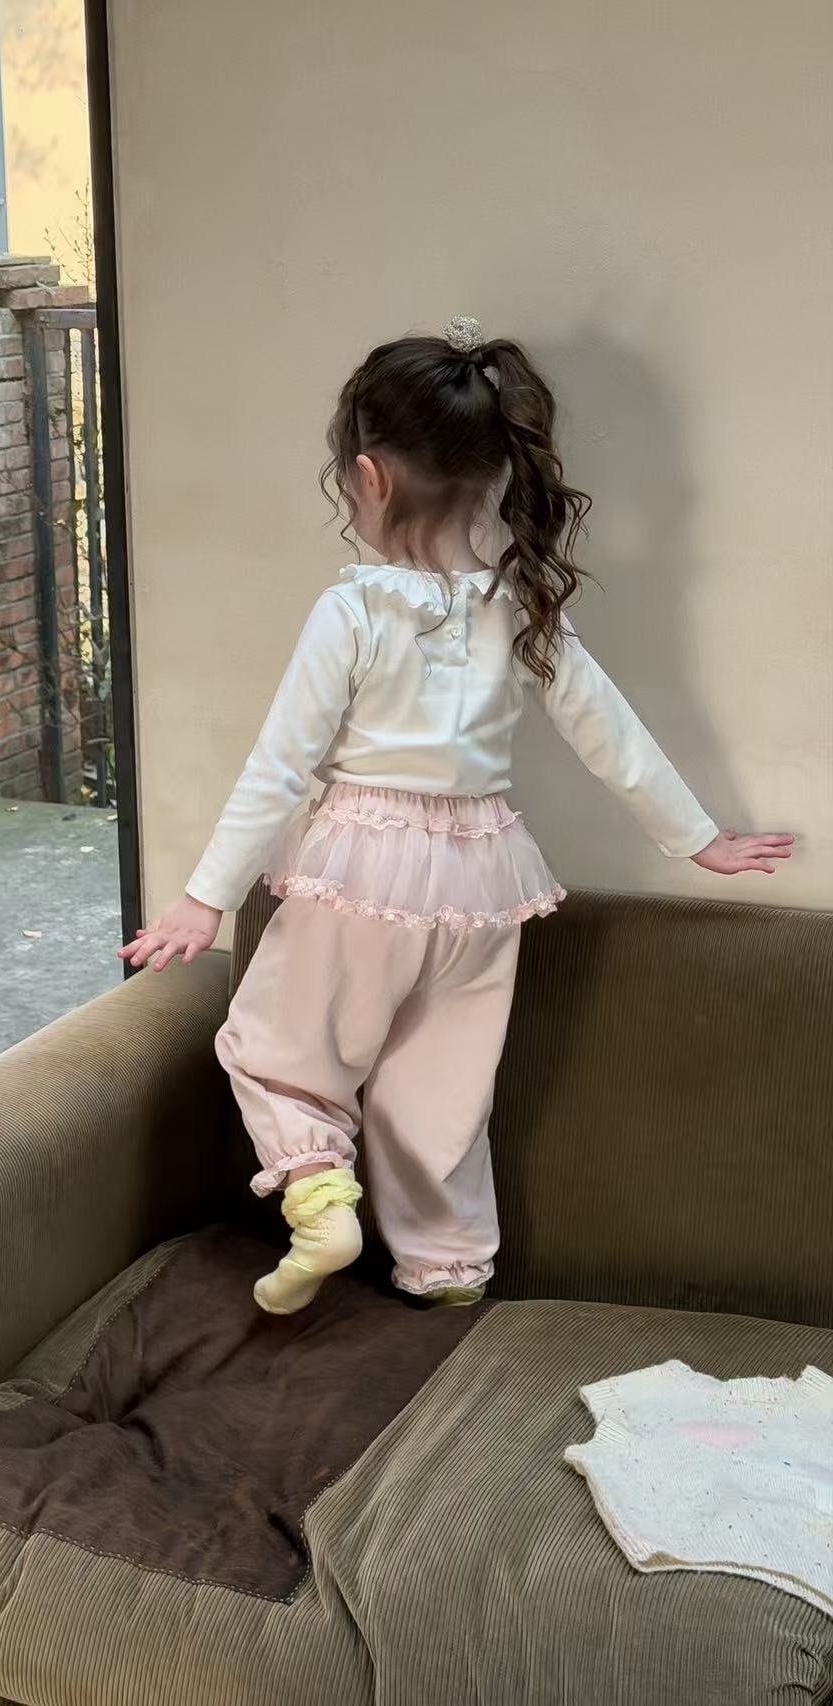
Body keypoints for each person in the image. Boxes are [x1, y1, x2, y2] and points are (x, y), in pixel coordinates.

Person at [118, 317, 794, 1316]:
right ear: (493, 476)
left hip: (360, 871)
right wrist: (696, 838)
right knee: (439, 1093)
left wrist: (203, 897)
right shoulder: (522, 604)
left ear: (367, 476)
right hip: (482, 876)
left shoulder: (353, 610)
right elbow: (608, 730)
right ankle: (448, 1277)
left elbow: (279, 765)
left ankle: (320, 1200)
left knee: (275, 1049)